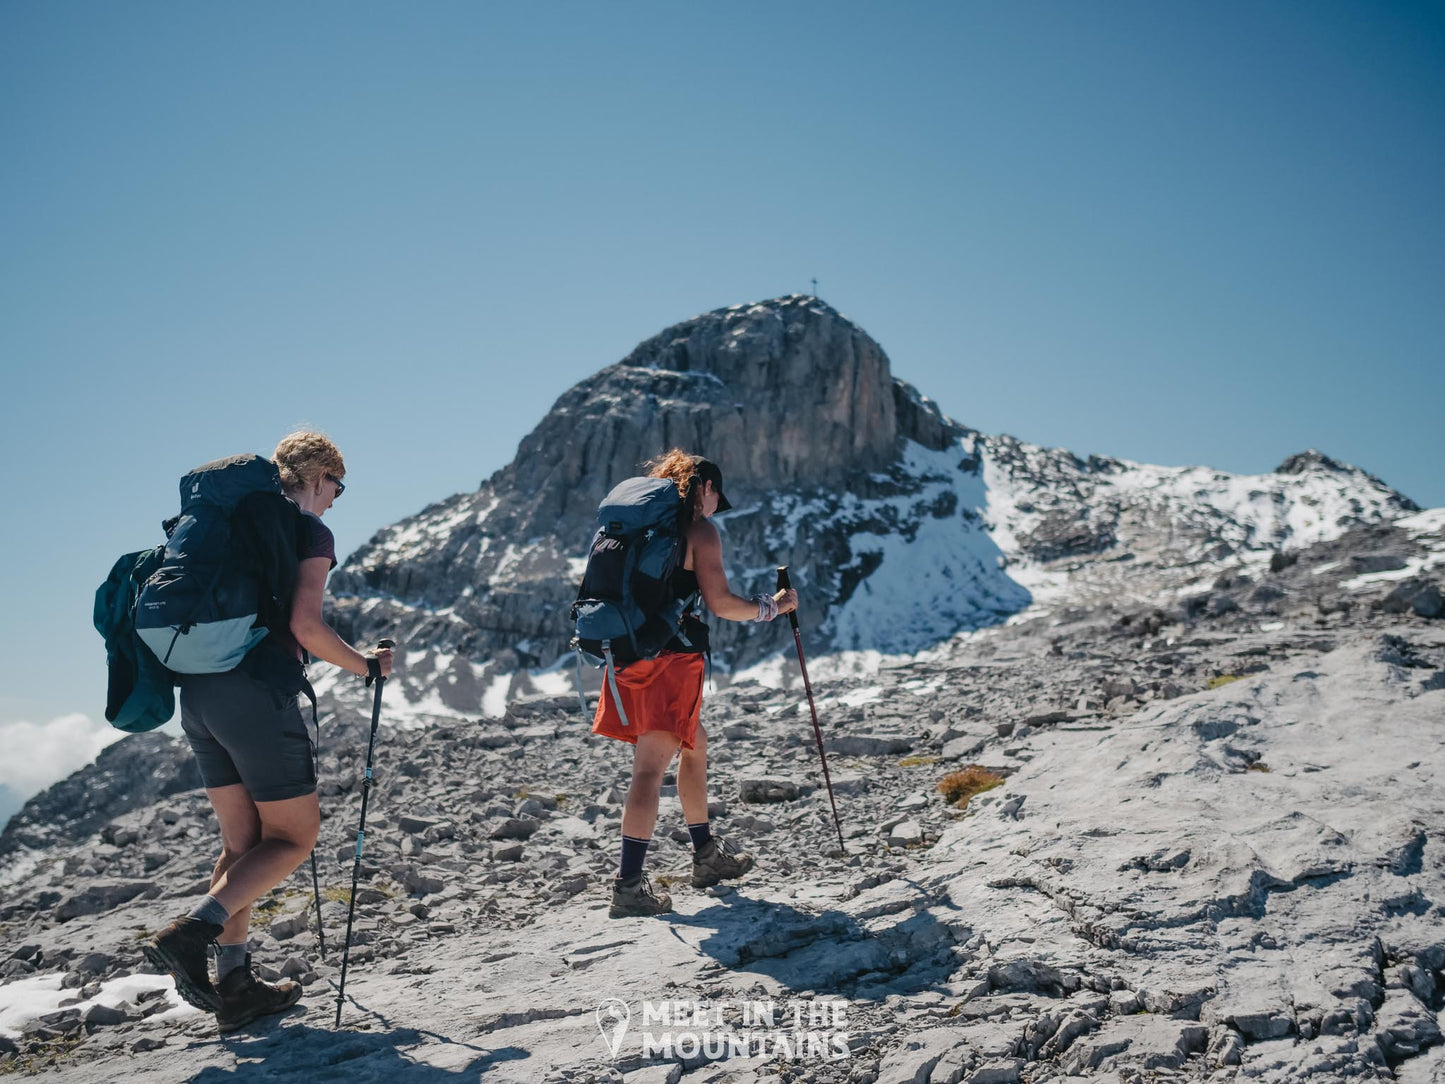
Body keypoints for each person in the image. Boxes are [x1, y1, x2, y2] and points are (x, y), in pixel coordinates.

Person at [143, 431, 395, 1032]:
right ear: (315, 477)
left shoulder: (225, 521)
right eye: (337, 485)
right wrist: (366, 666)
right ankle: (191, 933)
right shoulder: (306, 530)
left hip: (199, 695)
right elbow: (306, 626)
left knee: (241, 845)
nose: (336, 498)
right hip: (255, 693)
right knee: (292, 839)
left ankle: (234, 987)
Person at [593, 450, 797, 918]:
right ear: (704, 487)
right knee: (649, 766)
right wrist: (774, 607)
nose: (715, 507)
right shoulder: (697, 531)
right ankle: (627, 886)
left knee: (695, 743)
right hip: (669, 659)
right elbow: (722, 603)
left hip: (624, 653)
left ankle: (706, 855)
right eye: (715, 497)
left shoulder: (629, 528)